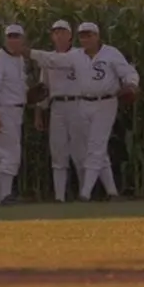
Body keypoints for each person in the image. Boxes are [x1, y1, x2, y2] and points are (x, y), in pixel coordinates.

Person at [28, 22, 139, 202]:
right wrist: (29, 53)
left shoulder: (110, 53)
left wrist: (132, 85)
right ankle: (110, 192)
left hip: (105, 101)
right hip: (82, 103)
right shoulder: (77, 56)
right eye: (83, 36)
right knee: (93, 149)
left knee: (94, 147)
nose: (86, 39)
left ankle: (85, 193)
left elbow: (128, 71)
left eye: (89, 35)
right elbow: (52, 61)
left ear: (97, 36)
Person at [33, 20, 84, 202]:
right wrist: (39, 113)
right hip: (57, 107)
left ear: (70, 36)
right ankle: (59, 196)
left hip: (77, 105)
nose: (59, 35)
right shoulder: (48, 60)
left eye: (63, 32)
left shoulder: (79, 55)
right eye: (56, 33)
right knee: (58, 152)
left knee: (80, 152)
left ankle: (85, 193)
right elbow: (43, 88)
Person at [0, 24, 29, 204]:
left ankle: (2, 196)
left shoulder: (19, 60)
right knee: (10, 154)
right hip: (2, 110)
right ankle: (5, 195)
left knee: (6, 155)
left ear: (23, 39)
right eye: (10, 36)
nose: (13, 40)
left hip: (16, 110)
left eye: (17, 36)